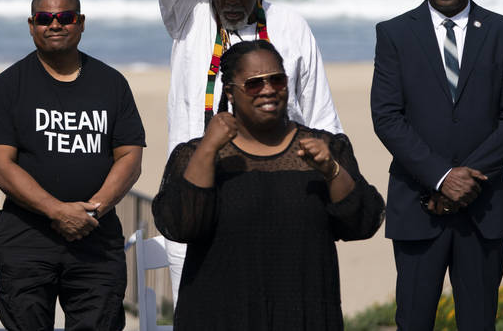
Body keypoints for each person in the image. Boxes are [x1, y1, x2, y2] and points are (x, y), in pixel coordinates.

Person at [150, 0, 342, 292]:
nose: (230, 0)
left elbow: (320, 121)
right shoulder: (190, 10)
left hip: (277, 200)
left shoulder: (290, 27)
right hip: (197, 195)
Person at [153, 39, 384, 330]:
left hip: (303, 315)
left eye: (277, 79)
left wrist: (331, 170)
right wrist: (209, 147)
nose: (268, 89)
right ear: (230, 92)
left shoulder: (325, 149)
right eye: (254, 83)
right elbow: (180, 225)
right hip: (220, 316)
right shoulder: (196, 154)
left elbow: (362, 223)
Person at [371, 0, 503, 330]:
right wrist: (441, 177)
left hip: (483, 207)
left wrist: (466, 180)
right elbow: (387, 117)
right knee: (413, 320)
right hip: (416, 205)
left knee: (479, 323)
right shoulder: (395, 34)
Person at [0, 0, 145, 331]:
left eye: (65, 17)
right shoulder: (8, 86)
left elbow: (130, 155)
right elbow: (0, 166)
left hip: (96, 235)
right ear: (31, 25)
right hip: (26, 237)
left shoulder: (111, 83)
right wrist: (58, 211)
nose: (55, 24)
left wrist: (91, 211)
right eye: (44, 18)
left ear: (80, 23)